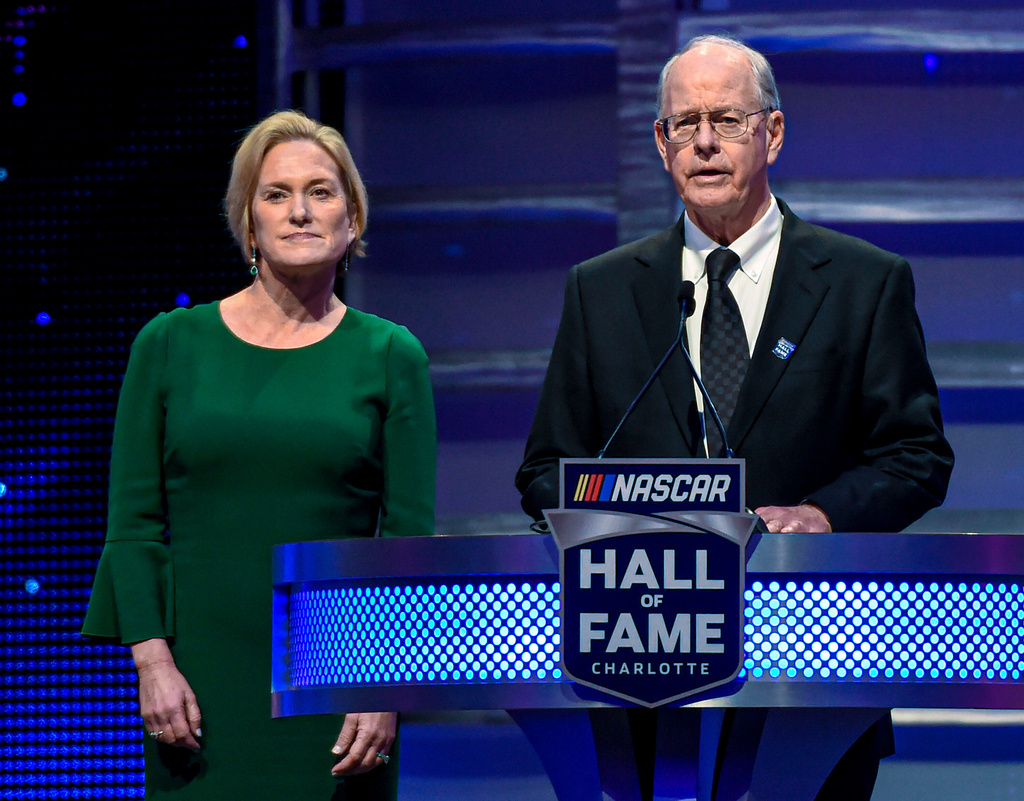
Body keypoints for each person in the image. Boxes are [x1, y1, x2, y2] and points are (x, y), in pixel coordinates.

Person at [516, 35, 953, 800]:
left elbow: (915, 455)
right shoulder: (602, 290)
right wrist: (637, 520)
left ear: (772, 133)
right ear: (660, 144)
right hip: (635, 672)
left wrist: (820, 512)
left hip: (812, 665)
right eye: (684, 124)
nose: (705, 142)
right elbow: (546, 468)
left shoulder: (863, 282)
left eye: (727, 119)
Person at [82, 110, 436, 800]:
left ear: (352, 220)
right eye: (276, 194)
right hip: (196, 688)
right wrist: (151, 660)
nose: (300, 211)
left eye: (321, 192)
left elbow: (407, 540)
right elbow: (130, 523)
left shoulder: (392, 355)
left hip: (339, 685)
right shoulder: (168, 344)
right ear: (248, 222)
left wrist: (383, 686)